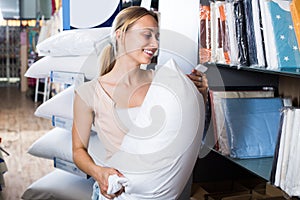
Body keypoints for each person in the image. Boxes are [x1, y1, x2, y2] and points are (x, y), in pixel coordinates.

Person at [72, 6, 208, 200]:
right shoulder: (88, 93)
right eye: (147, 35)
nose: (154, 44)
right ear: (120, 35)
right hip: (118, 194)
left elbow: (185, 133)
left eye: (157, 37)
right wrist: (97, 172)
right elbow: (78, 150)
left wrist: (198, 95)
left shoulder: (167, 84)